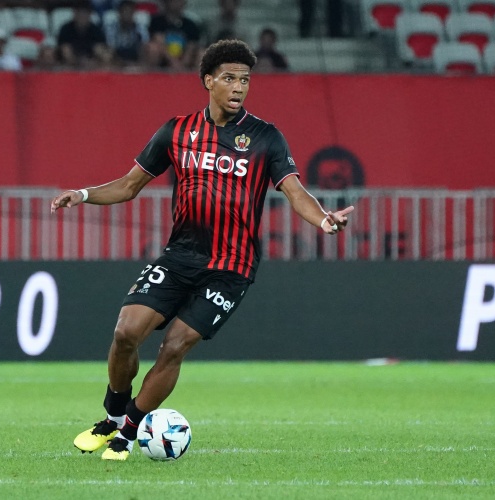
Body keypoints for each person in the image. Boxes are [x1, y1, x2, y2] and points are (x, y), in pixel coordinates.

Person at [51, 39, 353, 461]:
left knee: (174, 346)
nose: (239, 87)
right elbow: (129, 185)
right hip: (180, 257)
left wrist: (323, 219)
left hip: (231, 267)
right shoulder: (176, 132)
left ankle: (128, 432)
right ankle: (113, 416)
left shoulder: (266, 138)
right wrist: (82, 194)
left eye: (245, 80)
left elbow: (294, 190)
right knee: (125, 333)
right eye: (229, 78)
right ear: (208, 81)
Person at [145, 0, 202, 71]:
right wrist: (173, 61)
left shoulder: (190, 25)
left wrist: (183, 64)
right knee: (153, 48)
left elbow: (191, 46)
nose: (178, 3)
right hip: (163, 57)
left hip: (184, 60)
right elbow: (159, 42)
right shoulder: (157, 21)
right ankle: (151, 74)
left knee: (202, 53)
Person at [57, 0, 112, 69]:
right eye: (79, 13)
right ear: (74, 13)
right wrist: (77, 62)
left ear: (90, 14)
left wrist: (92, 61)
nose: (82, 16)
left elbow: (102, 50)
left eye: (84, 13)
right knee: (66, 51)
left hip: (93, 64)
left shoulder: (96, 31)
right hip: (70, 64)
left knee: (103, 53)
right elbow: (63, 49)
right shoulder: (66, 29)